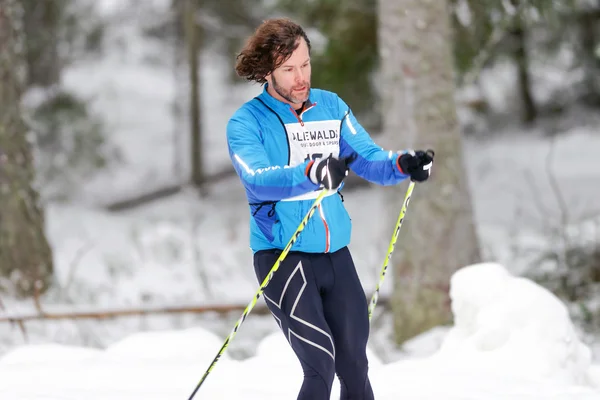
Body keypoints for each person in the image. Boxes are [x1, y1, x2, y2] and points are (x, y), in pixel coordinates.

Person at [226, 18, 434, 400]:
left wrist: (404, 163)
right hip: (283, 257)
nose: (300, 76)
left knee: (355, 364)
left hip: (335, 255)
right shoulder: (246, 122)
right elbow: (258, 177)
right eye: (288, 69)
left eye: (305, 64)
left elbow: (368, 158)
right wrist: (311, 172)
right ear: (266, 71)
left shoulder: (331, 106)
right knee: (320, 363)